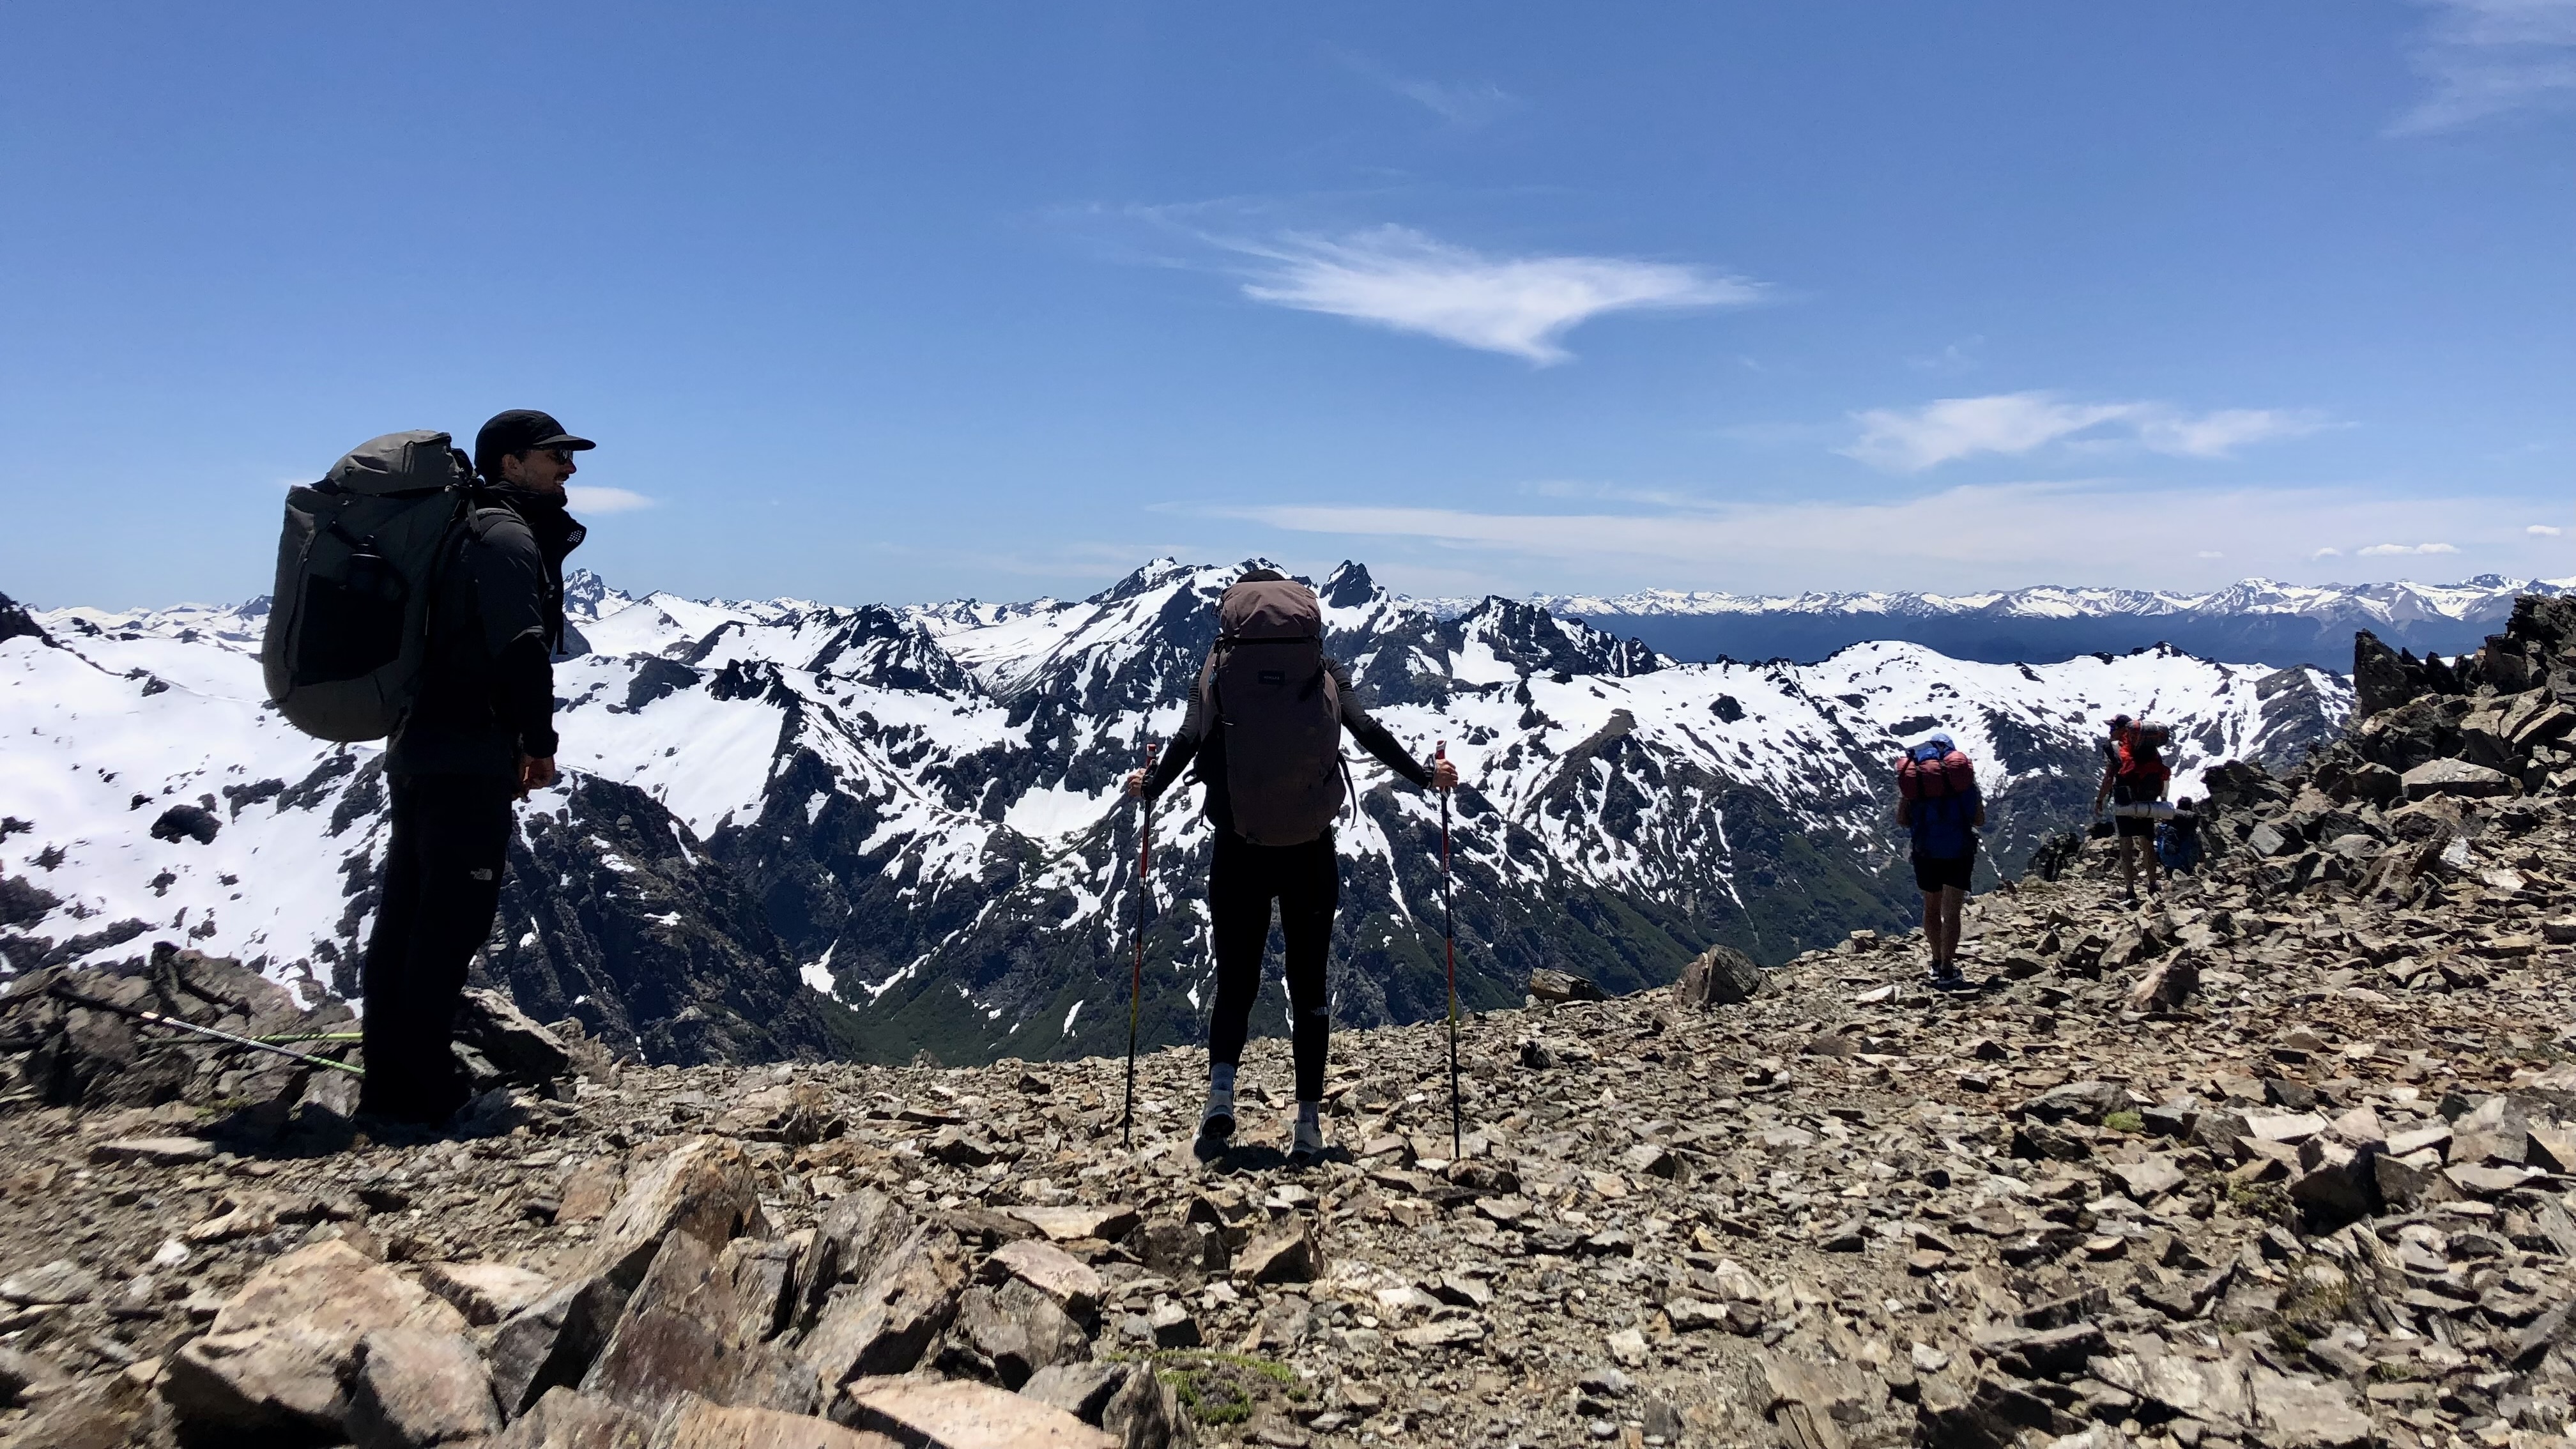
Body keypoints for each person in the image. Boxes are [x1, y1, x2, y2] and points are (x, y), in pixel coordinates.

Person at [1124, 568, 1459, 1165]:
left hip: (1239, 847)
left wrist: (1151, 784)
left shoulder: (1221, 667)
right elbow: (1366, 731)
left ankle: (1220, 1097)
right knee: (1309, 987)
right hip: (1309, 848)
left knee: (1236, 983)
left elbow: (1187, 738)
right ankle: (1307, 1126)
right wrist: (1426, 777)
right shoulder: (1322, 669)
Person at [359, 410, 592, 1126]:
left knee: (407, 917)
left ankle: (391, 1082)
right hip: (466, 755)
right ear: (512, 463)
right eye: (556, 456)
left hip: (423, 750)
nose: (570, 470)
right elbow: (521, 648)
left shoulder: (468, 530)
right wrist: (537, 742)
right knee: (450, 922)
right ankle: (425, 1089)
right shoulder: (506, 537)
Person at [1895, 732, 1983, 990]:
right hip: (1959, 853)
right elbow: (1979, 820)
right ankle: (1947, 967)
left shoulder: (1918, 785)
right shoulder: (1964, 784)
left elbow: (1902, 821)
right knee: (1952, 911)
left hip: (1926, 852)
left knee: (1931, 908)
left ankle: (1935, 960)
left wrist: (1909, 798)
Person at [2090, 713, 2168, 903]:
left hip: (2125, 803)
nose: (2110, 731)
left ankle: (2131, 891)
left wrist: (2100, 800)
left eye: (2112, 727)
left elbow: (2109, 778)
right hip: (2146, 802)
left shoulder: (2115, 749)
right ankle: (2152, 884)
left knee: (2126, 848)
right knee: (2147, 844)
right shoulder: (2150, 750)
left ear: (2122, 729)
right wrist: (2162, 798)